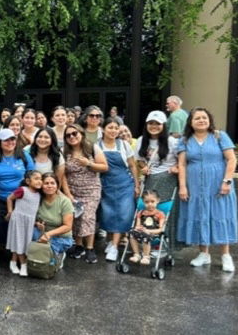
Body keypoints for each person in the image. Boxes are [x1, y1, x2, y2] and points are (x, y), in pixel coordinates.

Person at [177, 107, 238, 272]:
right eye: (197, 118)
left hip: (218, 185)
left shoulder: (220, 136)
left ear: (209, 120)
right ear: (191, 122)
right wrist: (183, 186)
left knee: (220, 215)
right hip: (195, 186)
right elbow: (182, 164)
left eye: (204, 117)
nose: (201, 120)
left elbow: (231, 160)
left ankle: (226, 256)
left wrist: (227, 181)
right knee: (200, 215)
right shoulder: (184, 140)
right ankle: (204, 254)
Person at [62, 124, 108, 263]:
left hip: (90, 189)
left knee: (87, 217)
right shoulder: (64, 151)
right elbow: (62, 175)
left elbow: (105, 167)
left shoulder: (92, 148)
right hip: (73, 189)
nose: (72, 137)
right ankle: (79, 245)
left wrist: (89, 163)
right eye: (68, 135)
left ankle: (90, 248)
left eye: (74, 133)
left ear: (81, 133)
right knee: (76, 218)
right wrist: (68, 194)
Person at [135, 110, 179, 251]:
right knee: (147, 210)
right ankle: (147, 244)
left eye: (157, 124)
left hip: (167, 179)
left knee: (163, 211)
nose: (154, 126)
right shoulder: (142, 140)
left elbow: (183, 161)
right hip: (150, 179)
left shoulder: (172, 141)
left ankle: (163, 246)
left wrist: (175, 168)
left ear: (163, 125)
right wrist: (144, 167)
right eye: (151, 123)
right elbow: (140, 160)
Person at [97, 117, 139, 262]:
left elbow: (132, 165)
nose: (113, 131)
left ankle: (114, 247)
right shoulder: (97, 145)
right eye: (110, 127)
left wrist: (137, 184)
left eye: (116, 128)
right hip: (105, 183)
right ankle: (110, 241)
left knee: (123, 213)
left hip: (124, 184)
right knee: (107, 214)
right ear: (103, 129)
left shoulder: (124, 145)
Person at [0, 128, 34, 254]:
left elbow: (31, 174)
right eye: (6, 140)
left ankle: (16, 250)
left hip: (20, 197)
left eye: (12, 139)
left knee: (18, 225)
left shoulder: (24, 155)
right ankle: (2, 248)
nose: (10, 142)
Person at [5, 170, 43, 277]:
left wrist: (36, 222)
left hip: (29, 221)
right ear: (27, 181)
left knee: (22, 241)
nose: (39, 181)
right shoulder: (23, 190)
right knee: (20, 241)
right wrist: (10, 211)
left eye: (41, 179)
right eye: (36, 178)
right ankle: (23, 264)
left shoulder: (39, 195)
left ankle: (13, 262)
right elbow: (9, 198)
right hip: (18, 220)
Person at [35, 172, 75, 261]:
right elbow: (34, 218)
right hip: (42, 233)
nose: (49, 186)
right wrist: (37, 223)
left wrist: (49, 234)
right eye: (46, 183)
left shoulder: (65, 201)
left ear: (57, 185)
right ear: (42, 185)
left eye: (52, 183)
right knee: (32, 248)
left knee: (45, 258)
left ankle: (59, 255)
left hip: (61, 237)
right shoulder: (38, 199)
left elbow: (68, 226)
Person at [128, 190, 166, 265]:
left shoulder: (160, 214)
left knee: (145, 235)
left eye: (152, 201)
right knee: (131, 233)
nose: (150, 204)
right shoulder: (141, 213)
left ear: (157, 201)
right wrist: (138, 228)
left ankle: (146, 256)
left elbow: (160, 229)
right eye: (147, 202)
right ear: (143, 202)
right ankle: (137, 254)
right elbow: (137, 225)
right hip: (142, 231)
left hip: (153, 233)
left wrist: (148, 231)